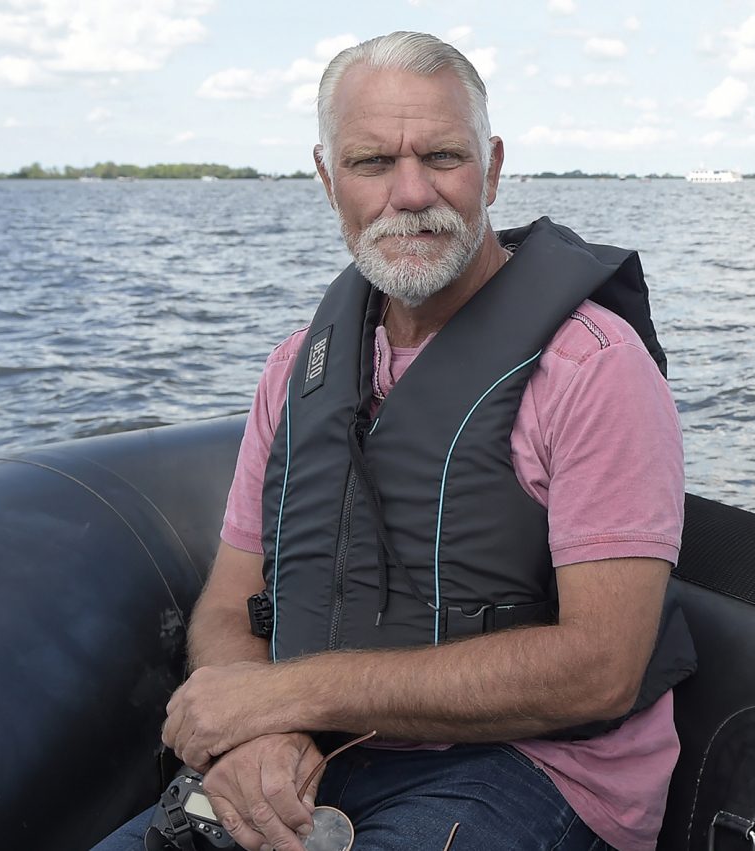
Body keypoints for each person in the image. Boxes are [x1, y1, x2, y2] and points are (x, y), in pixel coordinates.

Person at [92, 30, 691, 851]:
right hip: (315, 752)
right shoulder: (295, 373)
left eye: (443, 155)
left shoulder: (593, 368)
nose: (411, 193)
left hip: (530, 770)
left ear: (495, 165)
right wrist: (260, 730)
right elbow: (233, 603)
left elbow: (601, 665)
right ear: (326, 176)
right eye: (372, 162)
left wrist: (288, 696)